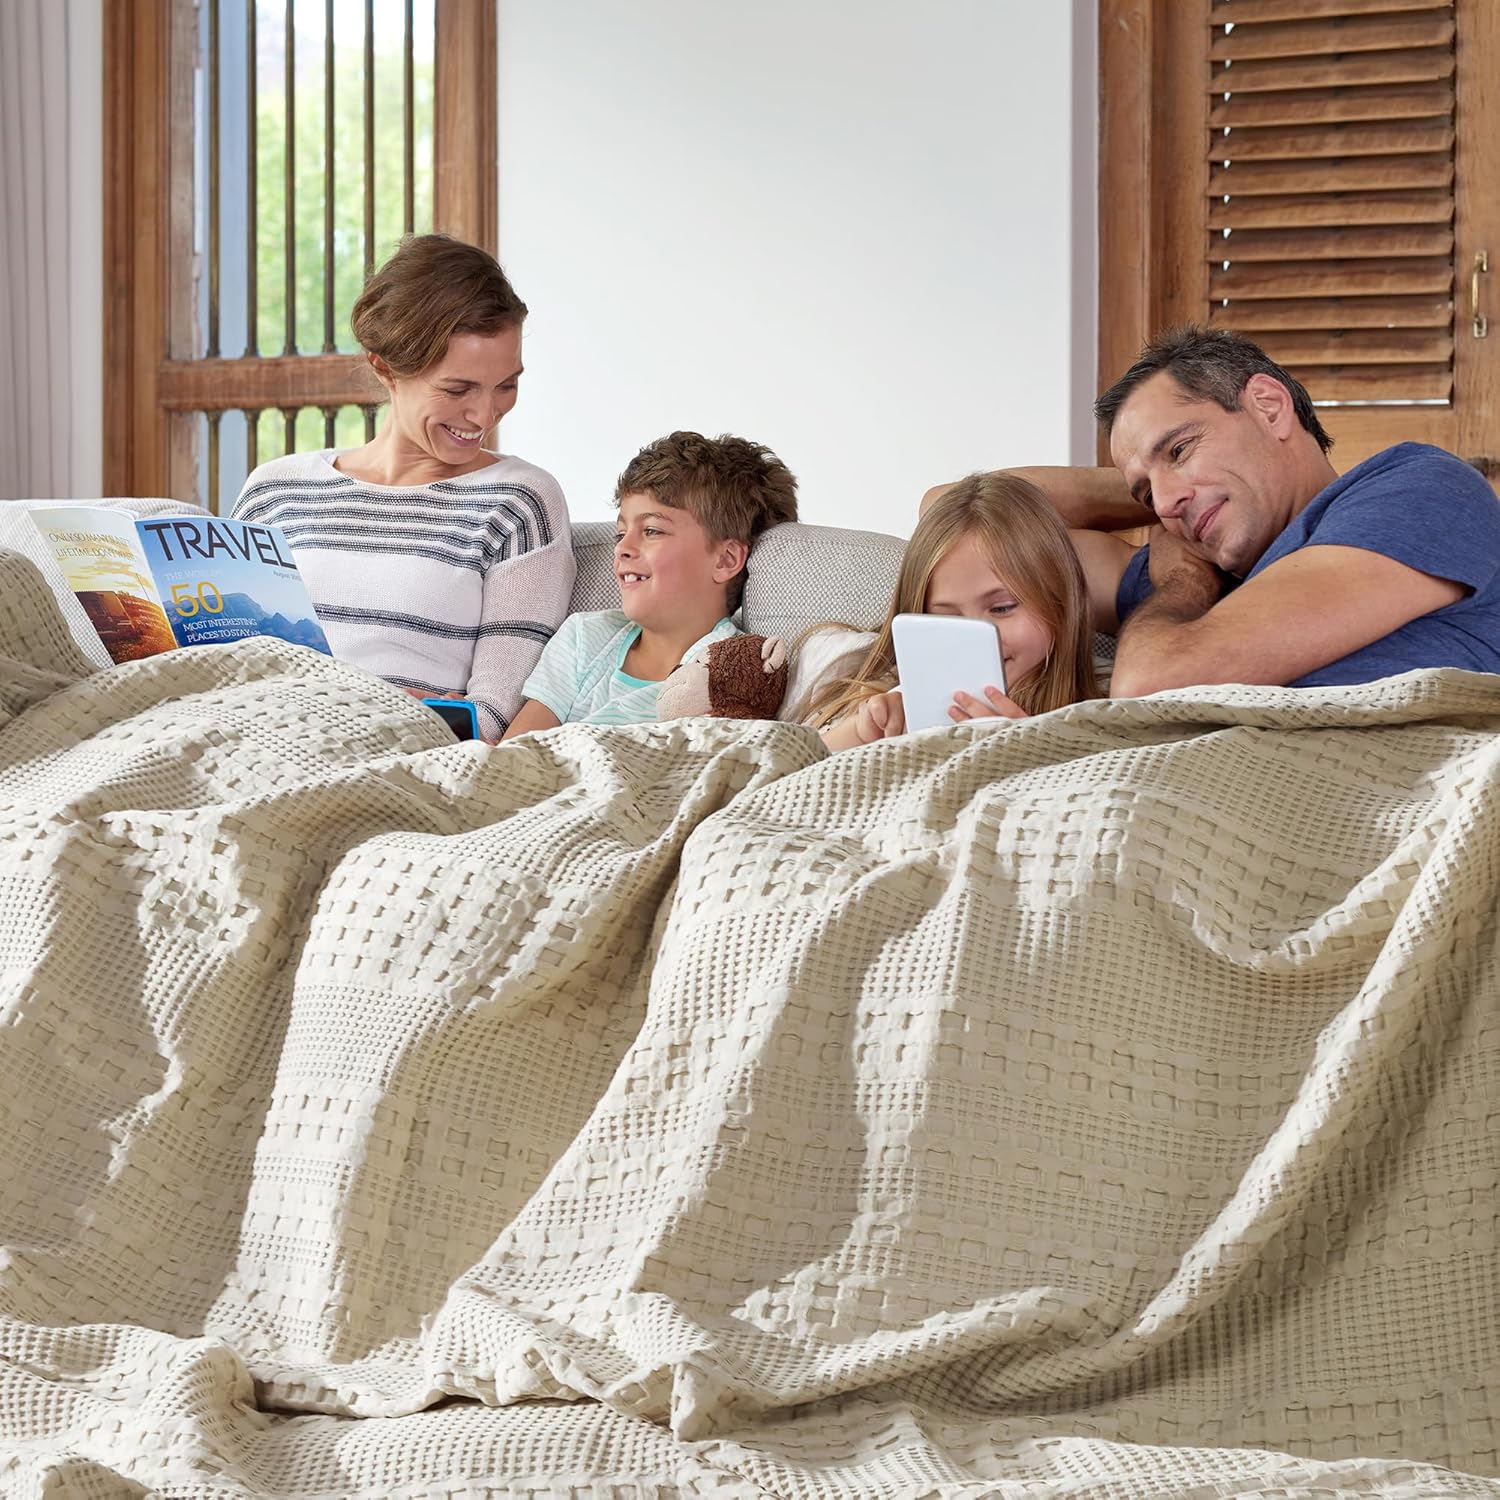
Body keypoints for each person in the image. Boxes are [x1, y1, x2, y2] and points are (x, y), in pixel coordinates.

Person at [232, 234, 573, 742]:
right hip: (246, 732)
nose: (485, 415)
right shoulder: (274, 491)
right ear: (385, 367)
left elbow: (494, 718)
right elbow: (222, 661)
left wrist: (403, 713)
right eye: (458, 389)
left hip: (395, 749)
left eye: (506, 385)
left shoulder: (520, 502)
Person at [1089, 325, 1500, 694]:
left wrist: (1181, 580)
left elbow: (1149, 682)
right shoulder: (1198, 573)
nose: (1164, 505)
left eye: (1179, 449)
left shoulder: (1420, 490)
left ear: (1268, 406)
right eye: (1147, 496)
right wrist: (1175, 499)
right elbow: (1043, 526)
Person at [501, 431, 798, 737]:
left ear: (725, 560)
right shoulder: (584, 637)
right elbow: (512, 753)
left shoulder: (733, 672)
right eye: (621, 533)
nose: (622, 547)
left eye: (652, 531)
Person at [808, 472, 1098, 751]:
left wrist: (1024, 750)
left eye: (1002, 608)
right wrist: (862, 733)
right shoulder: (888, 694)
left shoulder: (1094, 719)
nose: (974, 641)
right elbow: (802, 764)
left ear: (1061, 601)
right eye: (947, 619)